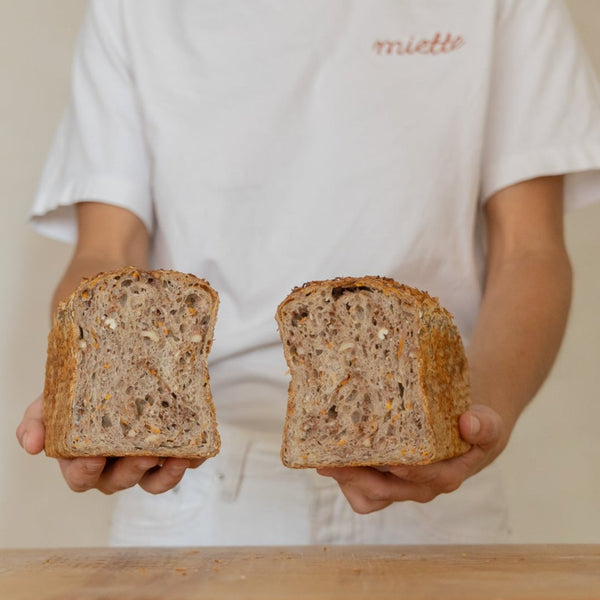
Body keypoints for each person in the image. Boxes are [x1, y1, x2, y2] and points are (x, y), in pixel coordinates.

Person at [17, 0, 600, 545]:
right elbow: (106, 249)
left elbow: (530, 250)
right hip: (196, 499)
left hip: (434, 492)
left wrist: (481, 417)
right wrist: (83, 391)